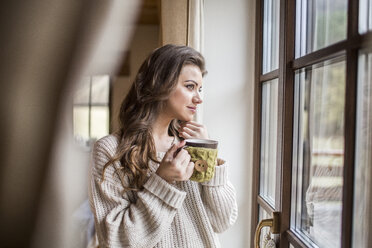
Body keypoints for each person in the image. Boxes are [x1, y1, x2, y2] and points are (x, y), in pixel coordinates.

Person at [89, 44, 238, 248]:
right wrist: (162, 180)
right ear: (160, 84)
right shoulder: (110, 150)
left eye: (200, 89)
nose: (199, 98)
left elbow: (222, 222)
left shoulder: (190, 145)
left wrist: (208, 157)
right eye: (190, 86)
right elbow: (116, 240)